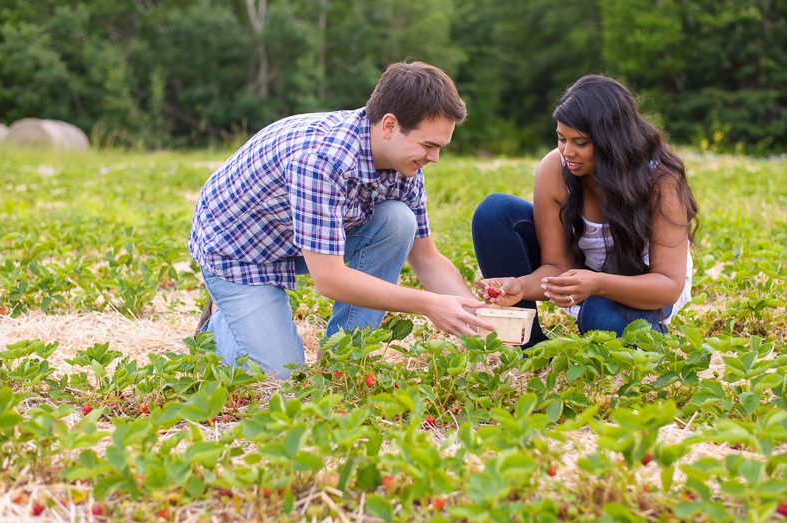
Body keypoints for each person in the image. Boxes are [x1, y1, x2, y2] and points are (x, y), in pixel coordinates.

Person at [189, 61, 493, 378]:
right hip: (239, 251)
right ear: (389, 126)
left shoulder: (405, 165)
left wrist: (481, 320)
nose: (435, 158)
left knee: (399, 220)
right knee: (277, 378)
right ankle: (222, 319)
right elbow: (330, 279)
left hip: (297, 239)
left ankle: (342, 360)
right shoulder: (321, 160)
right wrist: (429, 304)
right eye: (429, 145)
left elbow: (426, 257)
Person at [472, 75, 698, 347]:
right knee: (494, 212)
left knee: (599, 314)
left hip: (646, 293)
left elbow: (667, 287)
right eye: (561, 139)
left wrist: (598, 284)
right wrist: (520, 286)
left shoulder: (660, 182)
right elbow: (556, 267)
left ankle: (654, 337)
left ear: (611, 140)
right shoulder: (555, 169)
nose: (568, 152)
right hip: (586, 281)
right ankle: (529, 346)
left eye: (580, 142)